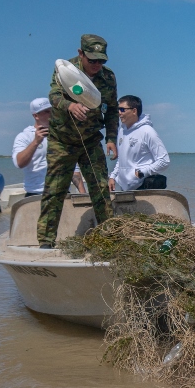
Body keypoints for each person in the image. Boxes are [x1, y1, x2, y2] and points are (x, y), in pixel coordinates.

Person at [36, 34, 118, 249]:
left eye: (102, 61)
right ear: (81, 54)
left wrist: (111, 138)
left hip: (91, 141)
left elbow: (111, 111)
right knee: (55, 191)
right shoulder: (66, 70)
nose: (97, 65)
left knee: (101, 189)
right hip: (62, 141)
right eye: (92, 60)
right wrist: (69, 106)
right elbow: (53, 95)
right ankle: (45, 242)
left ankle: (108, 239)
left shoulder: (108, 78)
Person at [109, 95, 170, 191]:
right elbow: (122, 158)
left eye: (122, 109)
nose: (119, 113)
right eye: (118, 109)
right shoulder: (122, 130)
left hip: (142, 186)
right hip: (125, 188)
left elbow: (164, 161)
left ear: (134, 111)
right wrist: (113, 176)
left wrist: (142, 172)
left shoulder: (147, 131)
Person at [12, 98, 52, 197]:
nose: (51, 114)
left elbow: (74, 168)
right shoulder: (24, 136)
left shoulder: (62, 134)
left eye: (52, 111)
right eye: (46, 112)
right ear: (36, 115)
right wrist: (36, 142)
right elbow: (19, 163)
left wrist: (82, 192)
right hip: (36, 192)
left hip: (62, 192)